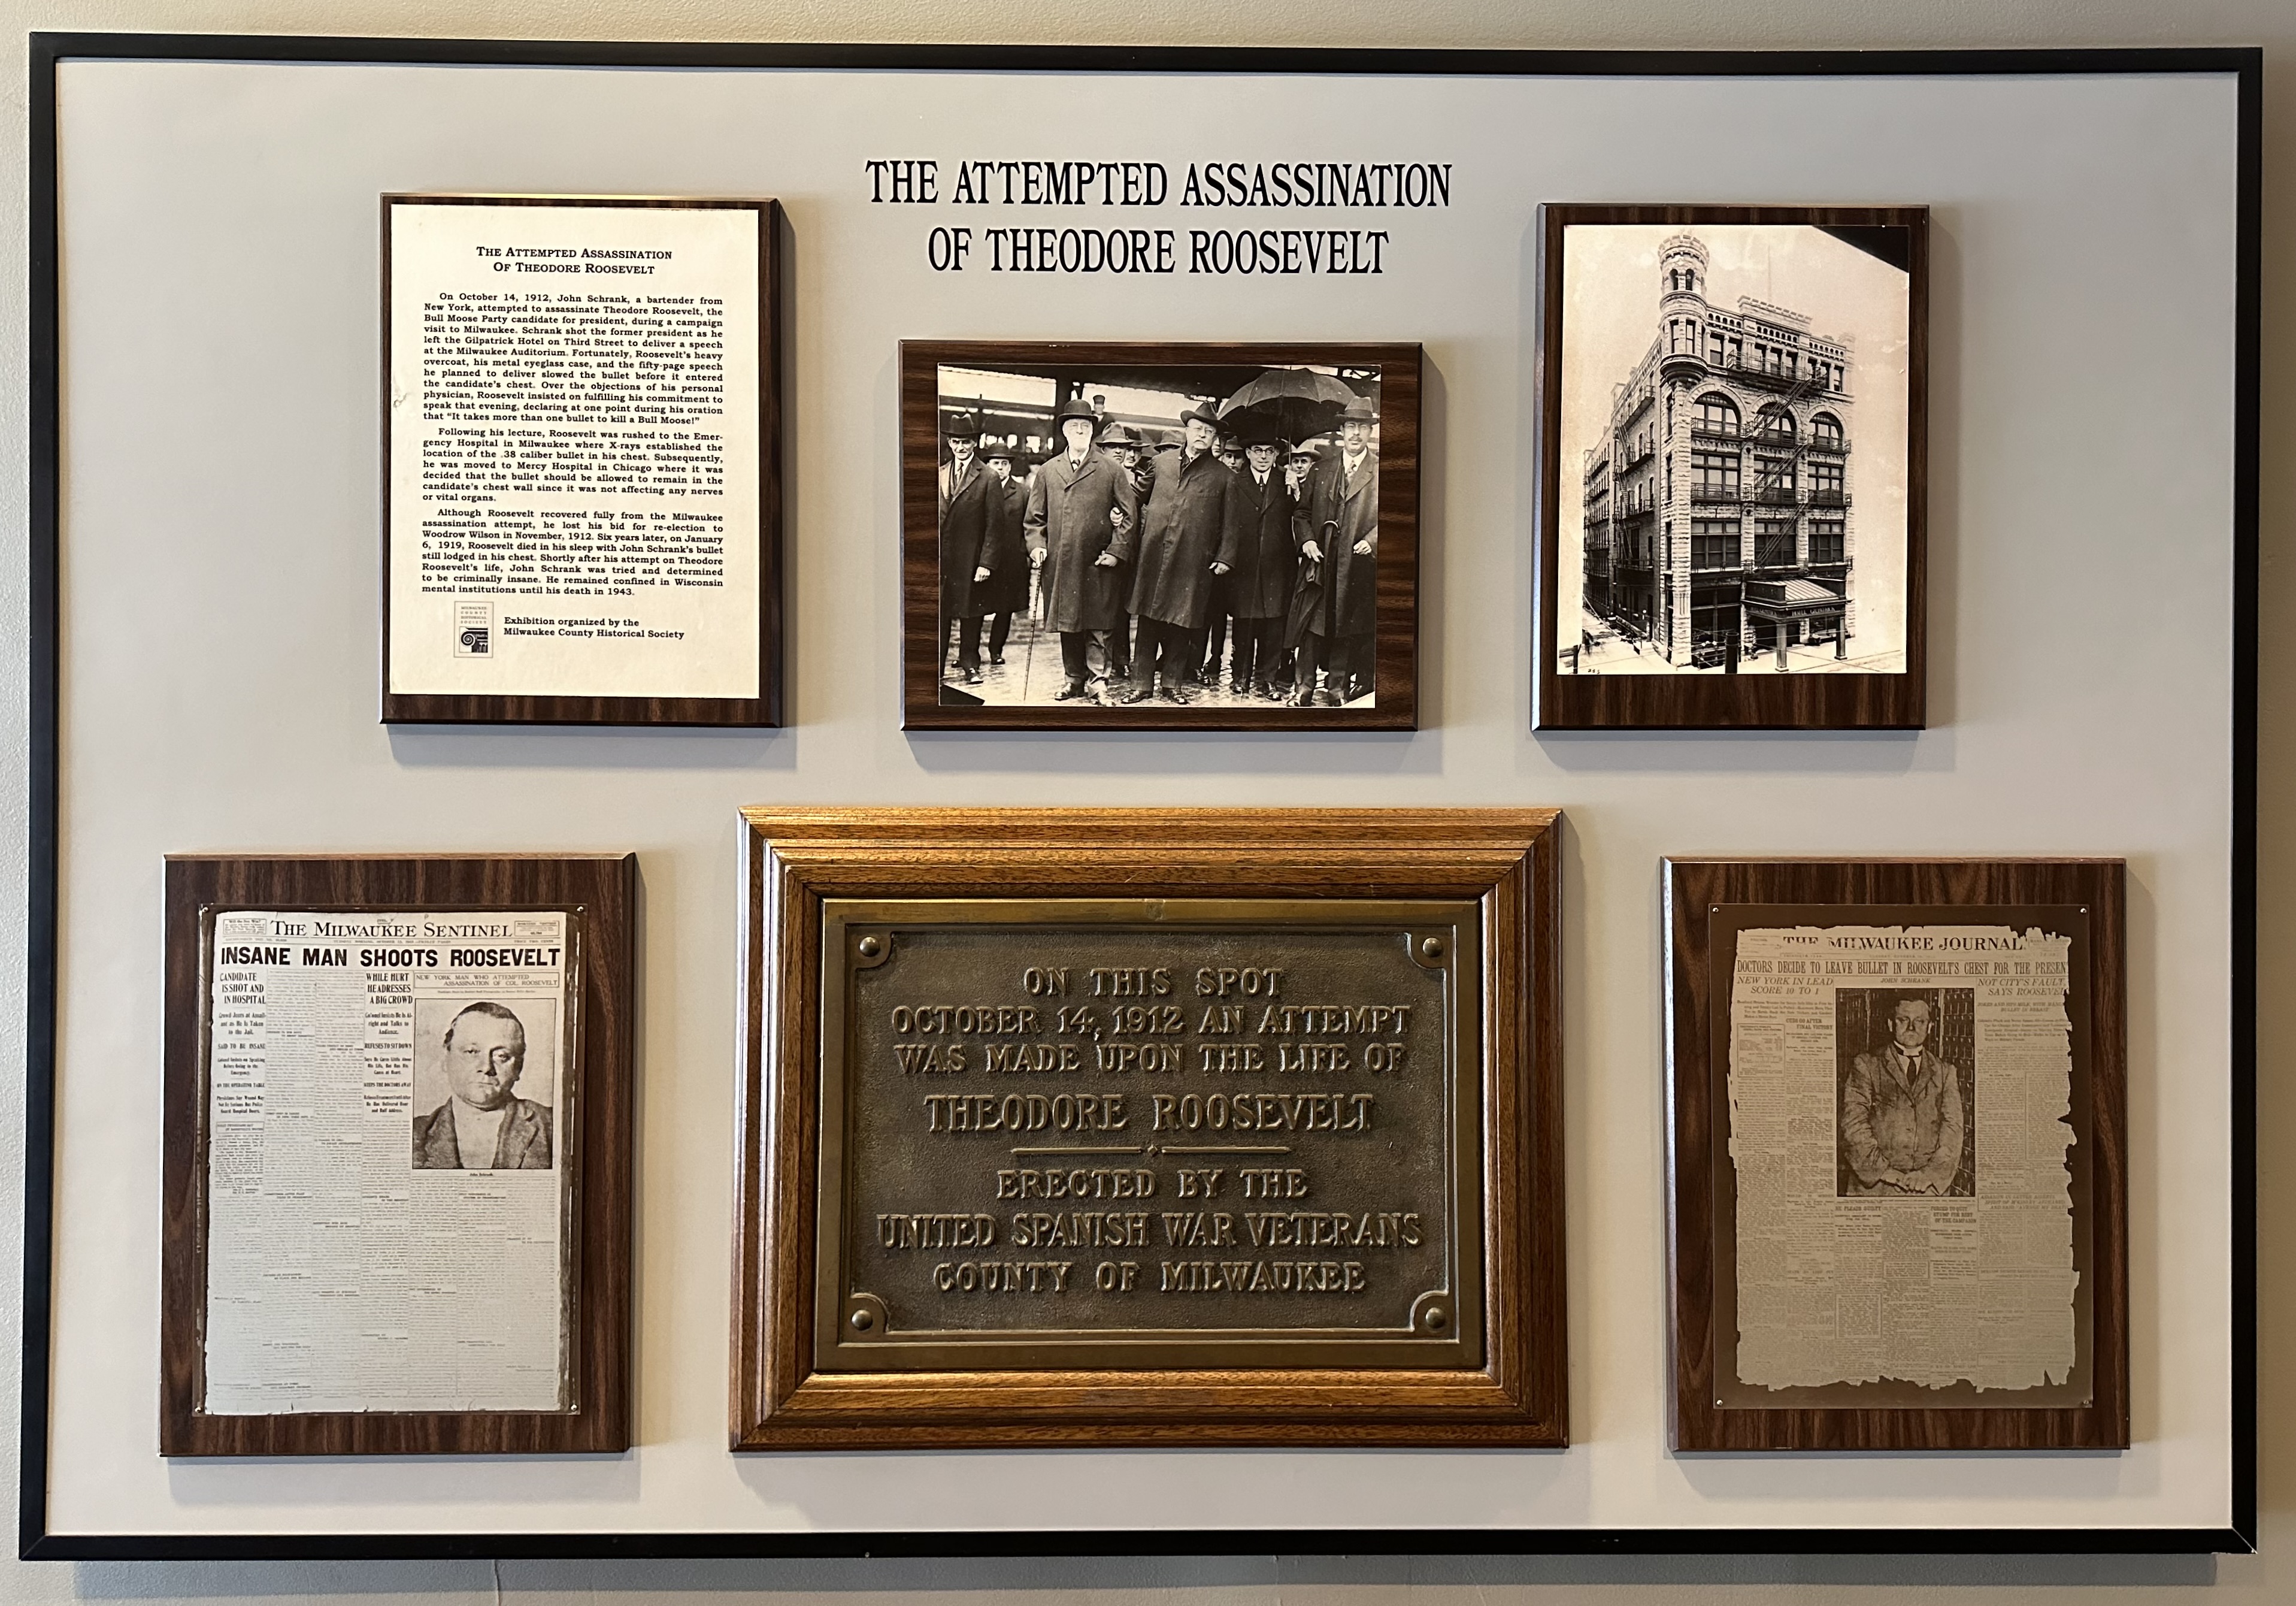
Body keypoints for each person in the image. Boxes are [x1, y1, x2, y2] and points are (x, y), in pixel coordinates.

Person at [1122, 400, 1244, 705]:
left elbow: (1231, 524)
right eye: (1197, 429)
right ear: (1186, 431)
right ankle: (1141, 685)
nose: (1202, 435)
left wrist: (1225, 557)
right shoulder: (1161, 463)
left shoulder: (1224, 477)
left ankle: (1172, 685)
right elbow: (1136, 496)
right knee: (1148, 621)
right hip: (1154, 555)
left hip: (1193, 560)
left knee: (1182, 621)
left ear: (1215, 438)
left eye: (1208, 432)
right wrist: (1115, 504)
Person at [1025, 397, 1138, 701]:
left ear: (1092, 432)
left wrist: (1116, 551)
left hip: (1098, 562)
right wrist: (1037, 546)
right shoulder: (1049, 471)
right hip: (1061, 564)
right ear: (1064, 431)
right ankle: (1073, 680)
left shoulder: (1111, 469)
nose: (1079, 431)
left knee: (1099, 626)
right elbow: (1034, 519)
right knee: (1068, 624)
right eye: (1073, 426)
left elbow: (1129, 516)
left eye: (1085, 426)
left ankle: (1098, 683)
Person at [1289, 397, 1379, 706]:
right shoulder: (1321, 470)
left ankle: (1337, 687)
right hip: (1321, 561)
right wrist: (1308, 541)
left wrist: (1374, 540)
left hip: (1357, 565)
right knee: (1313, 622)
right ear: (1342, 430)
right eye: (1351, 426)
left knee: (1347, 623)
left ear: (1370, 433)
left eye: (1363, 428)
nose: (1356, 434)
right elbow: (1301, 513)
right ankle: (1304, 685)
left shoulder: (1381, 471)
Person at [1838, 994, 1967, 1197]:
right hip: (1877, 1188)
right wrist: (1885, 1172)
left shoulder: (1945, 1072)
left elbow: (1953, 1129)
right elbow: (1853, 1124)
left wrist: (1929, 1174)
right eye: (1903, 1020)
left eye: (1920, 1021)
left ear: (1930, 1027)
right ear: (1891, 1024)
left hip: (1928, 1190)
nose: (1912, 1028)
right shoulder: (1867, 1065)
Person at [413, 1002, 552, 1170]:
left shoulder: (552, 1125)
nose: (486, 1067)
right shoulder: (413, 1135)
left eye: (502, 1056)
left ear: (518, 1068)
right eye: (472, 1052)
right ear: (446, 1059)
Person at [1224, 421, 1298, 698]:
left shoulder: (1287, 482)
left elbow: (1301, 515)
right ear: (1249, 453)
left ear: (1277, 455)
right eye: (1258, 450)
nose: (1264, 456)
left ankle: (1267, 678)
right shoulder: (1235, 481)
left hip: (1278, 565)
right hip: (1246, 565)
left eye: (1270, 451)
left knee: (1274, 625)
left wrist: (1297, 490)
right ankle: (1240, 676)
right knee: (1246, 623)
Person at [973, 446, 1031, 667]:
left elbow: (1029, 525)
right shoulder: (978, 487)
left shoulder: (1023, 491)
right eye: (996, 463)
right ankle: (969, 653)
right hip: (984, 559)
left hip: (1011, 561)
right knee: (976, 608)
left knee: (1004, 608)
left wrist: (1024, 553)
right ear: (989, 465)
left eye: (1005, 463)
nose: (1001, 468)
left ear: (1010, 466)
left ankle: (996, 651)